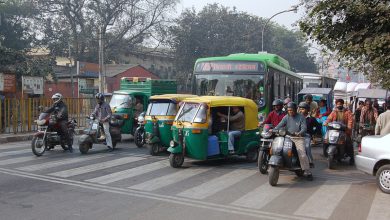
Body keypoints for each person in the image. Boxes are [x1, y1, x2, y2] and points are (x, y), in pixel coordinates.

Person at [274, 102, 313, 180]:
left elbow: (304, 128)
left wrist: (299, 133)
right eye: (288, 110)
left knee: (302, 154)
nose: (290, 112)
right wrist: (273, 129)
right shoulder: (286, 117)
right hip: (287, 137)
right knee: (278, 148)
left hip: (298, 138)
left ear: (295, 110)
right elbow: (280, 125)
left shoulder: (301, 117)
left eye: (291, 110)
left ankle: (308, 171)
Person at [325, 99, 354, 165]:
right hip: (334, 130)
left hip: (344, 130)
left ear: (342, 104)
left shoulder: (347, 112)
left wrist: (349, 127)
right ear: (336, 104)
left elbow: (350, 120)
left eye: (340, 104)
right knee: (326, 140)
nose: (339, 105)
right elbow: (329, 118)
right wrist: (326, 122)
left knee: (349, 142)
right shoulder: (334, 112)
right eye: (337, 104)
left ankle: (351, 158)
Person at [299, 102, 321, 168]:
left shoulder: (311, 119)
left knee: (307, 147)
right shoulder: (296, 117)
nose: (301, 110)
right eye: (300, 109)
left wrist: (313, 133)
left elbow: (318, 126)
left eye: (303, 109)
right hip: (296, 136)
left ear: (307, 110)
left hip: (306, 136)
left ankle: (310, 161)